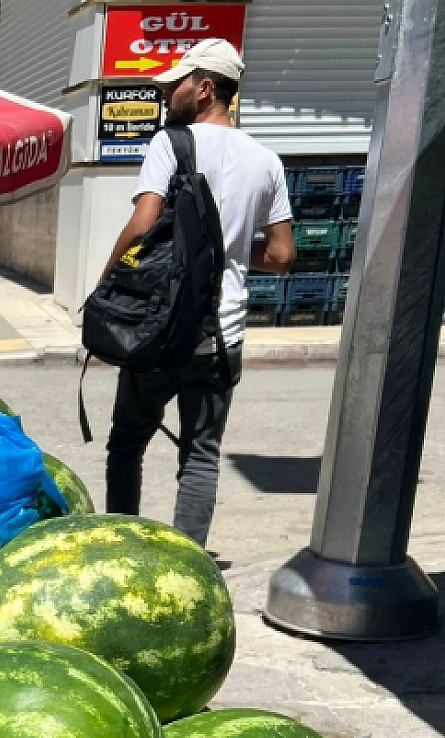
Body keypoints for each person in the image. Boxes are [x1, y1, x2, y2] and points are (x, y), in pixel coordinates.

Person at [100, 39, 296, 549]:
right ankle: (188, 561)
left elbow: (143, 224)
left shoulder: (172, 143)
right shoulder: (268, 161)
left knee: (127, 443)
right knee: (201, 455)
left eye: (176, 85)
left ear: (205, 88)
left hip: (161, 329)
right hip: (222, 337)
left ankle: (123, 550)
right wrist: (228, 250)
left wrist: (106, 283)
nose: (167, 95)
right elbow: (281, 255)